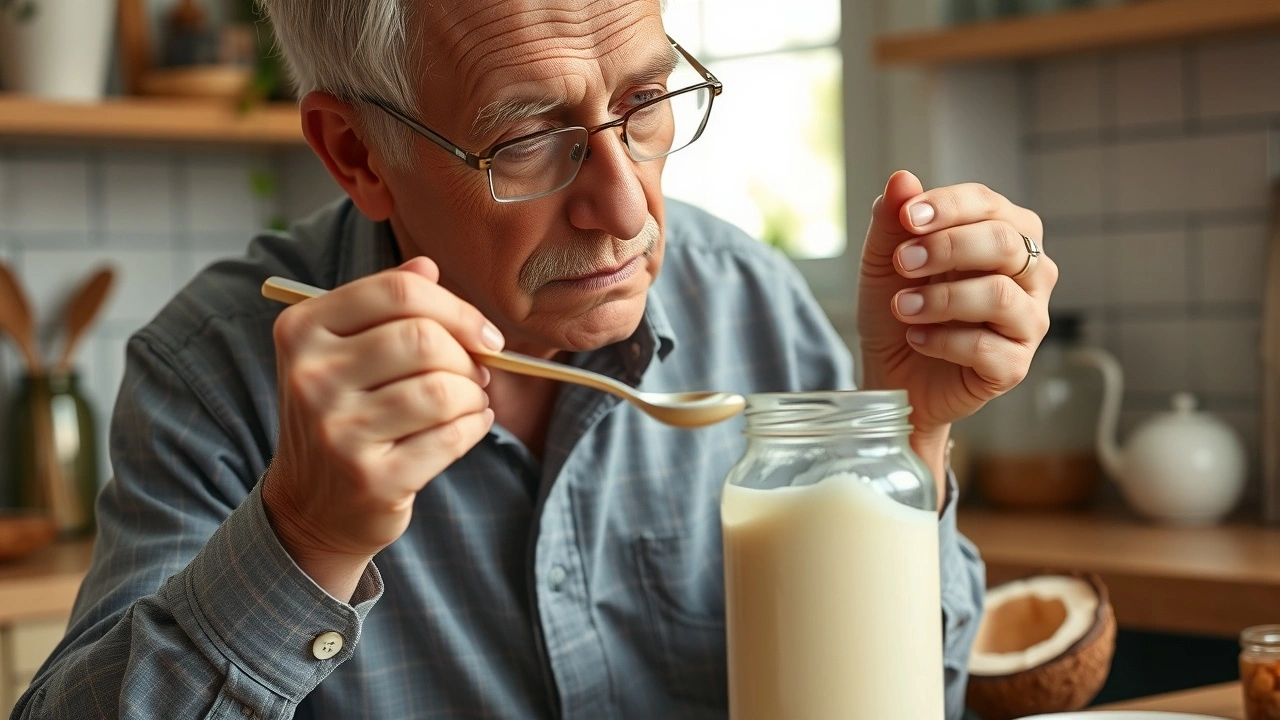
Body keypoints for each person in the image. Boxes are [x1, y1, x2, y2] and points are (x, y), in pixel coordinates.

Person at [13, 0, 1056, 718]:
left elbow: (920, 688)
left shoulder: (753, 308)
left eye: (644, 106)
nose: (623, 205)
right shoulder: (218, 377)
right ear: (356, 153)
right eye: (524, 139)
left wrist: (907, 434)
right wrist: (303, 537)